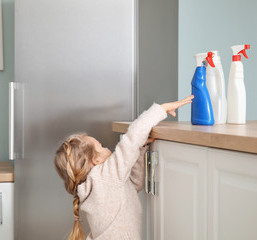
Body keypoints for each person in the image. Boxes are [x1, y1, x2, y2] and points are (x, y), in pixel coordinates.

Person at [54, 95, 194, 240]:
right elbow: (131, 140)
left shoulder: (94, 186)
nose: (107, 148)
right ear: (95, 160)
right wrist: (160, 109)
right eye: (101, 146)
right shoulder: (105, 176)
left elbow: (132, 185)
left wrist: (141, 148)